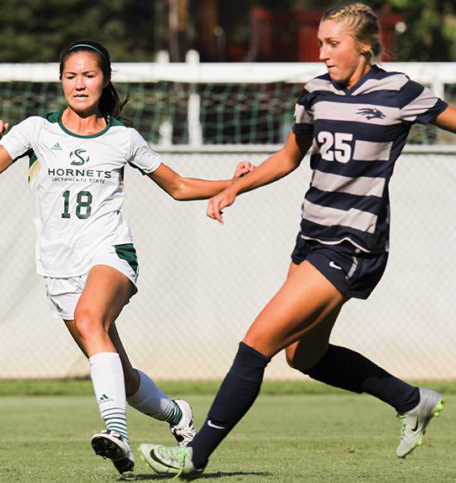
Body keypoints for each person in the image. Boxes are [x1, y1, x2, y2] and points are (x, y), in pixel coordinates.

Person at [140, 2, 456, 478]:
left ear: (364, 46)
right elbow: (288, 157)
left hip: (353, 244)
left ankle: (194, 453)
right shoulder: (315, 91)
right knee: (303, 355)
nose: (322, 52)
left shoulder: (399, 92)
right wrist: (233, 187)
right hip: (310, 237)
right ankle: (411, 400)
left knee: (256, 343)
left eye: (333, 43)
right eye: (321, 43)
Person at [0, 40, 253, 476]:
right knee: (122, 373)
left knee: (88, 319)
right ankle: (178, 415)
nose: (79, 84)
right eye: (70, 76)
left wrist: (230, 185)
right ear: (61, 80)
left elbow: (176, 186)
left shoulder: (123, 138)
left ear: (106, 79)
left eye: (89, 75)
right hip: (58, 269)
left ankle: (116, 434)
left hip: (110, 252)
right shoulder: (35, 131)